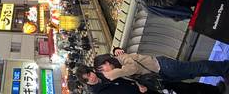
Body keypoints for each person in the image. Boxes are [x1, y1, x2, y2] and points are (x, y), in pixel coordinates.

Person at [93, 51, 229, 85]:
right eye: (101, 71)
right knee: (192, 73)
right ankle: (221, 72)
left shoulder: (121, 58)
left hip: (163, 66)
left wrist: (115, 74)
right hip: (162, 74)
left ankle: (225, 66)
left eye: (102, 67)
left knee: (196, 67)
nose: (104, 71)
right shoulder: (118, 69)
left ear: (106, 61)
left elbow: (133, 68)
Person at [75, 65, 150, 93]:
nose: (91, 78)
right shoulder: (99, 92)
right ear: (86, 83)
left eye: (89, 74)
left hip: (143, 87)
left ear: (92, 71)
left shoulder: (105, 72)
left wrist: (138, 84)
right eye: (87, 80)